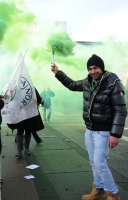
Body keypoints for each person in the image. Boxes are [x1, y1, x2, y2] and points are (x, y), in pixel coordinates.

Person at [51, 54, 127, 200]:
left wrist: (115, 134)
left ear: (102, 68)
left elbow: (121, 109)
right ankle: (98, 191)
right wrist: (57, 73)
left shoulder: (113, 82)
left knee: (99, 162)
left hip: (104, 131)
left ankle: (113, 194)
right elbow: (72, 85)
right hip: (90, 130)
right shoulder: (88, 82)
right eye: (90, 69)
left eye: (96, 68)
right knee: (94, 162)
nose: (93, 71)